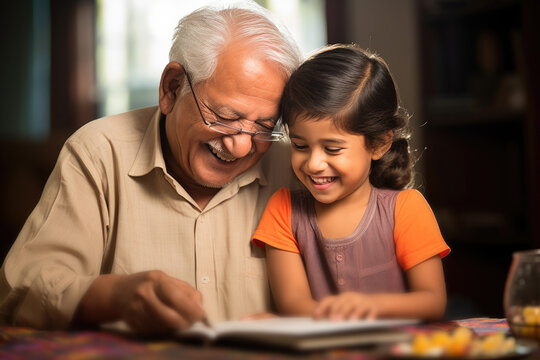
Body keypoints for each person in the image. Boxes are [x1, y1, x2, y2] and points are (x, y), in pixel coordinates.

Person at [0, 1, 302, 333]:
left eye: (264, 127)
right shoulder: (99, 152)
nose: (242, 146)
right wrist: (115, 296)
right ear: (172, 88)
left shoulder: (296, 167)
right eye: (226, 118)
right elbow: (21, 290)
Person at [252, 44, 450, 321]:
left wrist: (371, 306)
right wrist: (343, 318)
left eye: (332, 149)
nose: (313, 164)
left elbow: (432, 301)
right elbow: (292, 303)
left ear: (379, 143)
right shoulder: (283, 209)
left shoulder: (406, 209)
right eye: (300, 145)